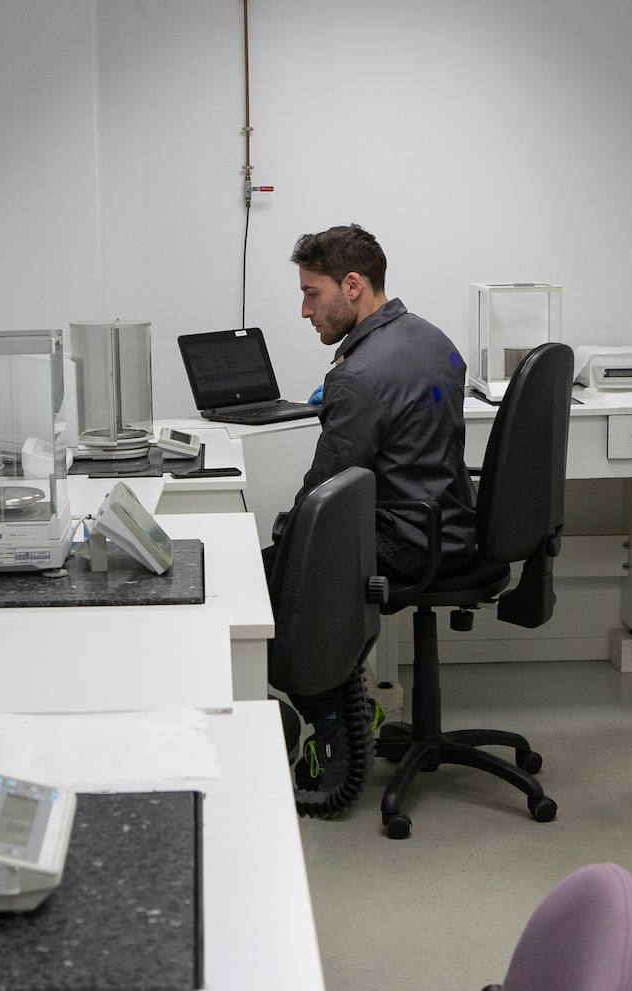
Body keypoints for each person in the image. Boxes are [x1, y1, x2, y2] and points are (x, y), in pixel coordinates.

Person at [274, 223, 477, 792]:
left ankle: (337, 729)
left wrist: (287, 534)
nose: (305, 309)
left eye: (313, 293)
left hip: (407, 540)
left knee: (276, 581)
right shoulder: (432, 340)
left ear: (354, 285)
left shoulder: (358, 377)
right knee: (296, 553)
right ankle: (355, 705)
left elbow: (324, 491)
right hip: (451, 521)